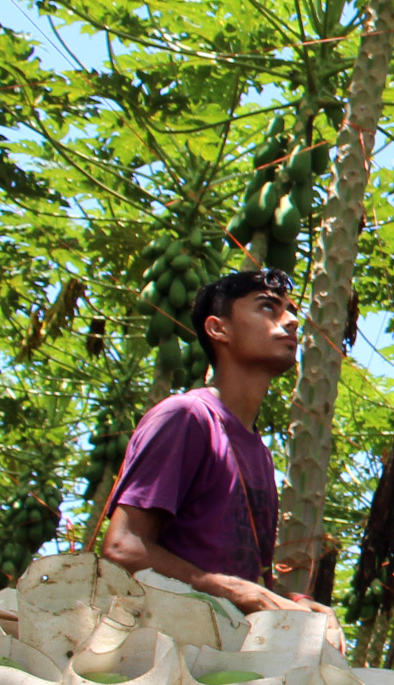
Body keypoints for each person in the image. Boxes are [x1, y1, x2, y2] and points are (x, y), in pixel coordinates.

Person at [101, 267, 341, 633]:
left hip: (221, 658)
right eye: (268, 308)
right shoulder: (186, 417)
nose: (291, 320)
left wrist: (292, 605)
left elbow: (238, 580)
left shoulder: (259, 452)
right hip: (159, 653)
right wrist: (238, 592)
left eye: (291, 310)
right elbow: (122, 548)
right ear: (218, 329)